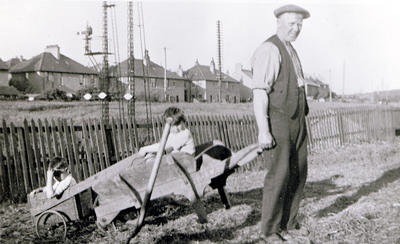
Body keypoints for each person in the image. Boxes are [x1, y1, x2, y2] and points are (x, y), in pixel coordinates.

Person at [250, 4, 310, 243]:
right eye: (292, 24)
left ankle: (289, 223)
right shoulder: (269, 49)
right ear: (279, 23)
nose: (296, 29)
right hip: (277, 121)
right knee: (279, 175)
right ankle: (269, 230)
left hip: (297, 122)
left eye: (300, 25)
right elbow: (259, 93)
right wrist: (264, 131)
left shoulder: (291, 50)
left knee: (299, 173)